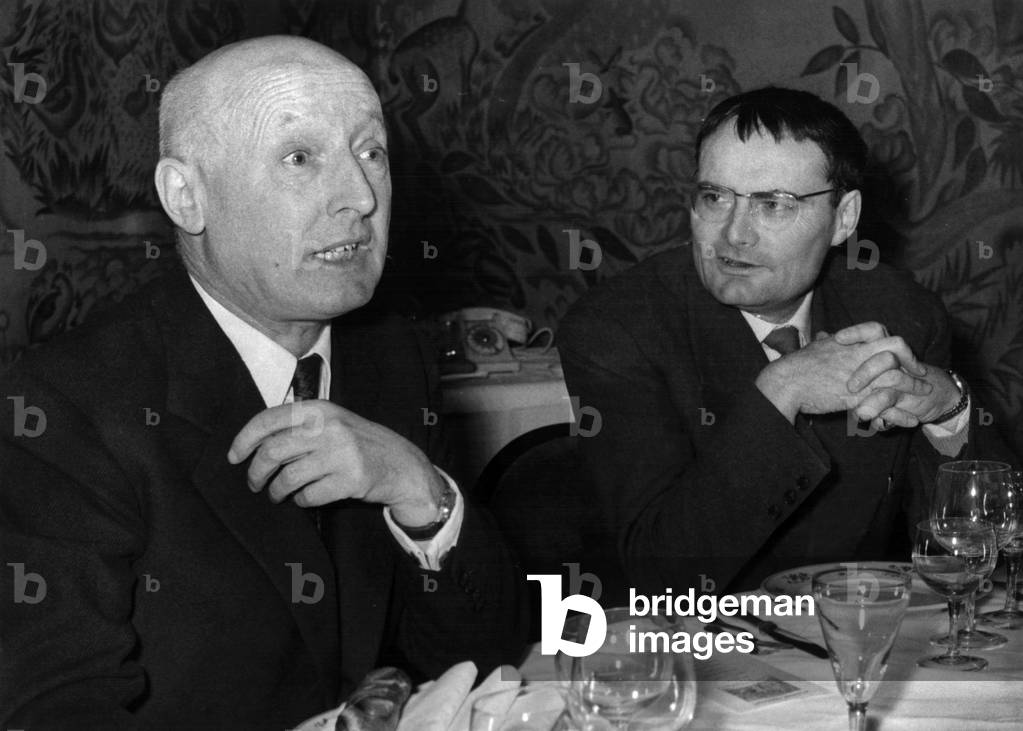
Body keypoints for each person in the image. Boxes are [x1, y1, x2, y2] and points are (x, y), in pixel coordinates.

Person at [0, 36, 525, 729]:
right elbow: (54, 707)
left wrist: (418, 491)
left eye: (371, 152)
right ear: (187, 197)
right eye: (300, 158)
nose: (361, 197)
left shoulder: (396, 356)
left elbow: (484, 658)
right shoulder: (64, 406)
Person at [559, 87, 1009, 598]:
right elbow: (660, 577)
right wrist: (781, 389)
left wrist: (948, 411)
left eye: (772, 204)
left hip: (853, 639)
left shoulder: (900, 312)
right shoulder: (617, 327)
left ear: (844, 218)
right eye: (714, 197)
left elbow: (981, 551)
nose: (733, 235)